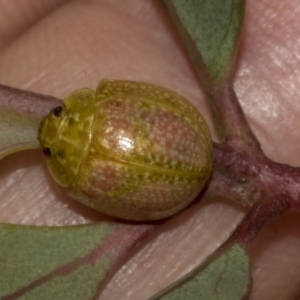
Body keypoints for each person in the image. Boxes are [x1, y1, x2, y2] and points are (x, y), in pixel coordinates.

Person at [0, 1, 299, 299]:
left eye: (57, 116)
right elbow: (134, 96)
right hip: (187, 142)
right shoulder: (102, 109)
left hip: (183, 162)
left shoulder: (81, 182)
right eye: (51, 149)